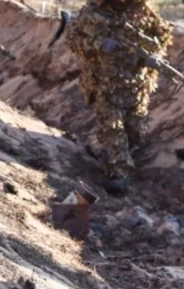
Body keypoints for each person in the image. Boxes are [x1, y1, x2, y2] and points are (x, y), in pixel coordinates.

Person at [65, 0, 173, 194]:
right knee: (113, 128)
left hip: (136, 86)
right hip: (104, 83)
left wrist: (155, 56)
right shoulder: (93, 12)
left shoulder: (145, 12)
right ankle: (118, 174)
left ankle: (121, 156)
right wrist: (98, 44)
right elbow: (73, 40)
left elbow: (162, 39)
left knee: (135, 130)